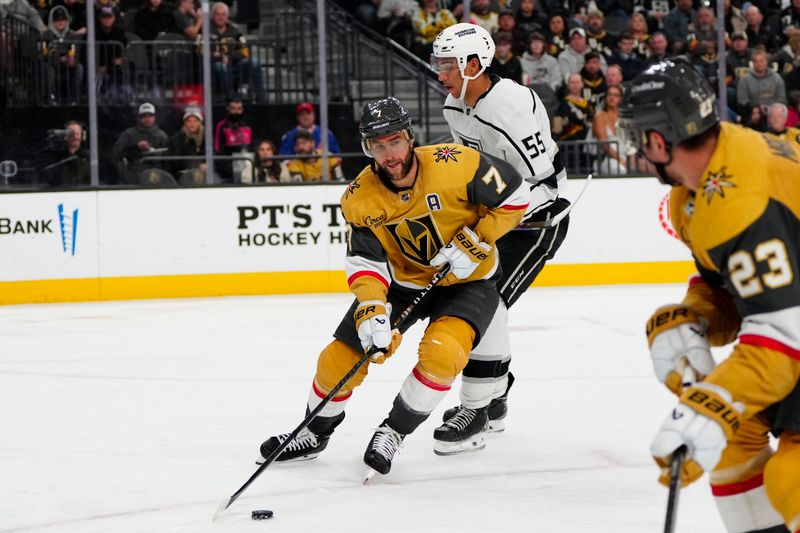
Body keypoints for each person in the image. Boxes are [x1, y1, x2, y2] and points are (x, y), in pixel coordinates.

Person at [257, 97, 530, 477]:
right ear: (368, 148)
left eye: (395, 142)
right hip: (404, 282)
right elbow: (366, 261)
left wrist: (477, 239)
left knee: (443, 354)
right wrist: (372, 308)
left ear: (409, 138)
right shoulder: (359, 197)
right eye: (379, 145)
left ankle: (393, 433)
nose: (389, 154)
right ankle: (313, 432)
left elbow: (516, 196)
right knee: (339, 358)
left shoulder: (456, 163)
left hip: (470, 281)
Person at [619, 57, 800, 533]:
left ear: (657, 141)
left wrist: (710, 404)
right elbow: (729, 289)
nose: (638, 151)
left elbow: (783, 342)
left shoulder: (742, 201)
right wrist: (693, 317)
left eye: (638, 140)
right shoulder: (700, 188)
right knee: (734, 438)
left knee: (793, 479)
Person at [431, 22, 570, 454]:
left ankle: (480, 407)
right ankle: (493, 401)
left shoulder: (508, 106)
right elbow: (470, 169)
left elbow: (546, 184)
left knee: (487, 308)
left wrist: (488, 226)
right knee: (477, 304)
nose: (441, 73)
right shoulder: (455, 105)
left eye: (449, 64)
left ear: (475, 64)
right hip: (499, 219)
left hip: (537, 221)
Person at [210, 1, 266, 102]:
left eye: (223, 14)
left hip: (234, 65)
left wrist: (229, 57)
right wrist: (219, 57)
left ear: (227, 16)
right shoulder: (206, 29)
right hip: (213, 67)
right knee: (220, 67)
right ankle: (230, 98)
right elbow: (200, 51)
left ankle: (261, 99)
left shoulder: (235, 31)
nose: (220, 17)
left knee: (254, 63)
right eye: (217, 14)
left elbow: (245, 50)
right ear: (212, 15)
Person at [112, 102, 169, 184]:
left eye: (150, 116)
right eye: (144, 116)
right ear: (139, 118)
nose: (147, 119)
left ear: (154, 118)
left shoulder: (162, 136)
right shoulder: (129, 134)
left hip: (157, 177)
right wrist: (136, 147)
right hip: (134, 177)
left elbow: (168, 160)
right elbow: (116, 154)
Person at [591, 85, 631, 174]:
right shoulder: (599, 116)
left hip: (626, 156)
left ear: (621, 98)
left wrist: (630, 160)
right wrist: (621, 160)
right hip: (607, 158)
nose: (612, 98)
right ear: (605, 98)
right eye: (610, 94)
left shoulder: (625, 117)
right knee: (621, 170)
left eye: (616, 95)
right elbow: (604, 144)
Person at [213, 97, 252, 182]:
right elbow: (218, 149)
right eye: (233, 108)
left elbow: (253, 145)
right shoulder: (222, 125)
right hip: (227, 167)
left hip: (248, 164)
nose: (236, 112)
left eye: (239, 109)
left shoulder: (248, 124)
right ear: (228, 109)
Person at [43, 120, 90, 187]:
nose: (75, 137)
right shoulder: (56, 157)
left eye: (77, 134)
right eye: (71, 134)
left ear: (82, 136)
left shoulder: (89, 157)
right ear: (65, 136)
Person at [168, 104, 207, 182]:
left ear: (200, 123)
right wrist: (195, 165)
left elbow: (213, 155)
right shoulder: (177, 139)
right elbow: (176, 161)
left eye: (195, 121)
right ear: (184, 123)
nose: (192, 124)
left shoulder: (207, 137)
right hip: (183, 175)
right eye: (189, 121)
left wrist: (207, 164)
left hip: (204, 174)